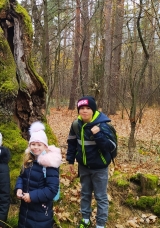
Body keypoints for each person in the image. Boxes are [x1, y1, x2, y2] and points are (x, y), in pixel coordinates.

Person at [66, 96, 116, 228]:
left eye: (88, 108)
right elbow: (72, 143)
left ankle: (100, 224)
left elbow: (111, 147)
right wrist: (70, 160)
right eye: (81, 108)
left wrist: (98, 135)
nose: (84, 111)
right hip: (83, 167)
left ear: (93, 110)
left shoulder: (103, 125)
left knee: (101, 197)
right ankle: (85, 219)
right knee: (85, 194)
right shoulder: (76, 125)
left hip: (100, 168)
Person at [15, 121, 62, 228]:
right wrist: (19, 188)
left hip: (41, 211)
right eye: (33, 144)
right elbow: (21, 177)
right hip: (25, 211)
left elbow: (52, 189)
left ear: (45, 146)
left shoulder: (49, 163)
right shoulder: (28, 160)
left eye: (39, 144)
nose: (35, 147)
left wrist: (32, 196)